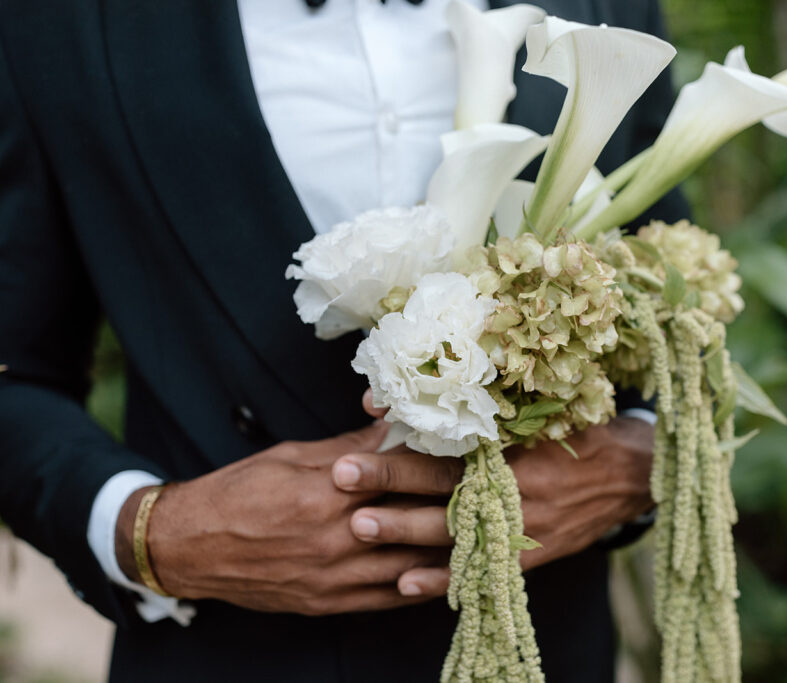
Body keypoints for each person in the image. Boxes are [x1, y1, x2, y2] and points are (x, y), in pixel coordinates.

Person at [0, 0, 686, 680]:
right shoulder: (56, 23)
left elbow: (675, 300)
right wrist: (150, 530)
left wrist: (635, 462)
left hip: (539, 651)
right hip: (232, 656)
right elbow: (15, 374)